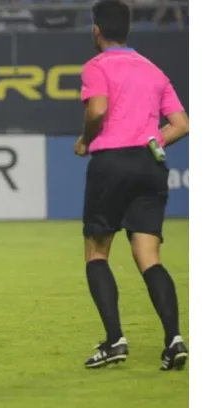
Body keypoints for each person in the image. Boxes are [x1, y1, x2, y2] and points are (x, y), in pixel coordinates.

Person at [74, 0, 189, 370]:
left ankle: (114, 340)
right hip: (149, 165)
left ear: (96, 29)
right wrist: (152, 141)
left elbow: (97, 109)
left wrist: (85, 140)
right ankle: (174, 340)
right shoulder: (153, 70)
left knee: (97, 253)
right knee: (149, 257)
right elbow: (181, 124)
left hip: (112, 164)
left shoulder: (97, 66)